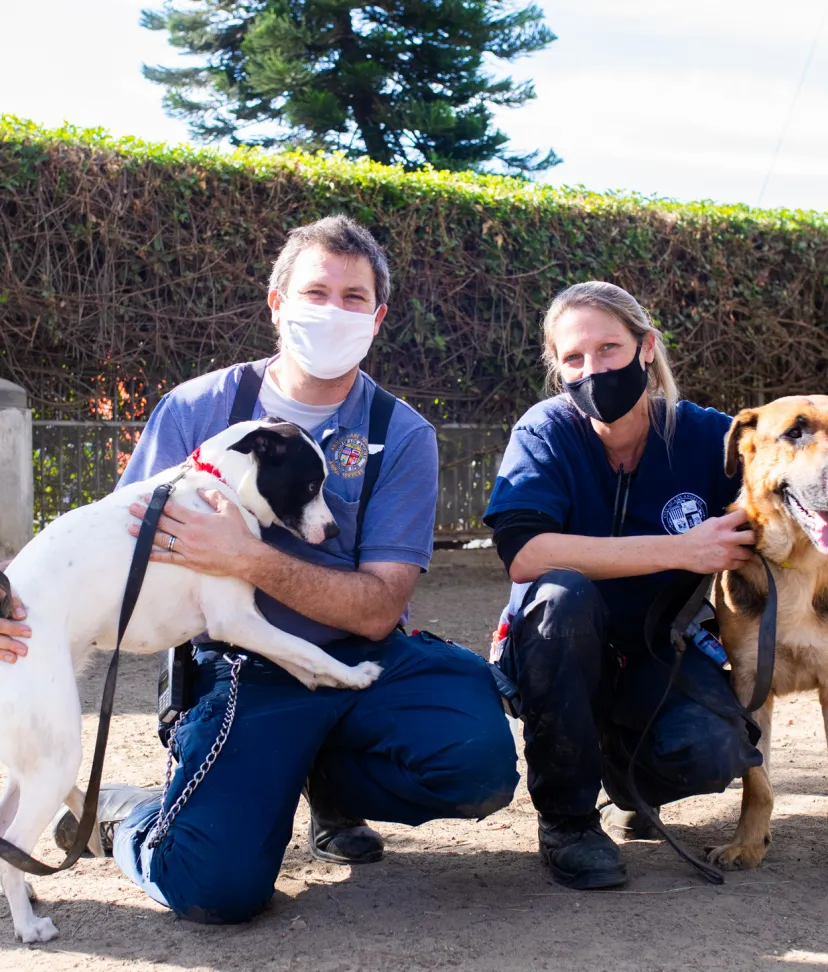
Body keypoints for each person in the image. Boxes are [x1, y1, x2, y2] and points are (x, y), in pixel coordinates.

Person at [0, 215, 518, 924]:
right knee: (214, 890)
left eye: (353, 297)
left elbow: (377, 608)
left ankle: (321, 781)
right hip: (237, 666)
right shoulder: (197, 410)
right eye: (315, 292)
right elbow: (107, 547)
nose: (333, 311)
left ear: (378, 317)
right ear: (277, 304)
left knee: (479, 762)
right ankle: (126, 816)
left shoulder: (401, 434)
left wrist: (246, 556)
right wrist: (17, 596)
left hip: (361, 653)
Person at [483, 281, 762, 891]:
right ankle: (568, 821)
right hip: (557, 651)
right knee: (562, 596)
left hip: (658, 650)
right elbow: (525, 554)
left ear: (645, 348)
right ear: (557, 367)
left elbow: (782, 489)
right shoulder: (546, 431)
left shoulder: (704, 437)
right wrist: (685, 549)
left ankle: (627, 776)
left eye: (609, 348)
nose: (593, 369)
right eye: (574, 358)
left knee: (716, 749)